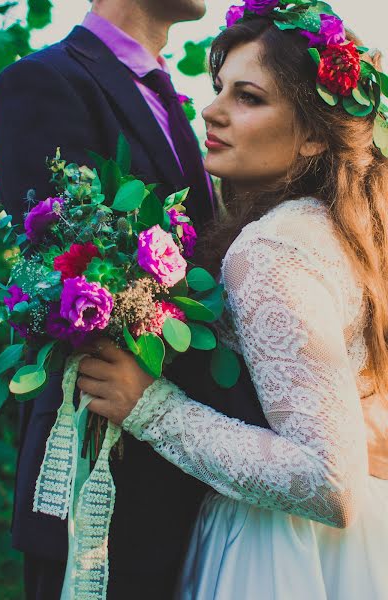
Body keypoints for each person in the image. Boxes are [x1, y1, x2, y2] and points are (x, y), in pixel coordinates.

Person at [78, 3, 388, 599]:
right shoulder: (349, 232)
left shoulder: (271, 249)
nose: (212, 109)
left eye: (248, 97)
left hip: (279, 553)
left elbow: (327, 480)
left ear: (311, 139)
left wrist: (150, 408)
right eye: (220, 88)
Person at [0, 1, 235, 598]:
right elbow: (65, 279)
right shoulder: (44, 80)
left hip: (200, 480)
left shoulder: (180, 103)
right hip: (98, 471)